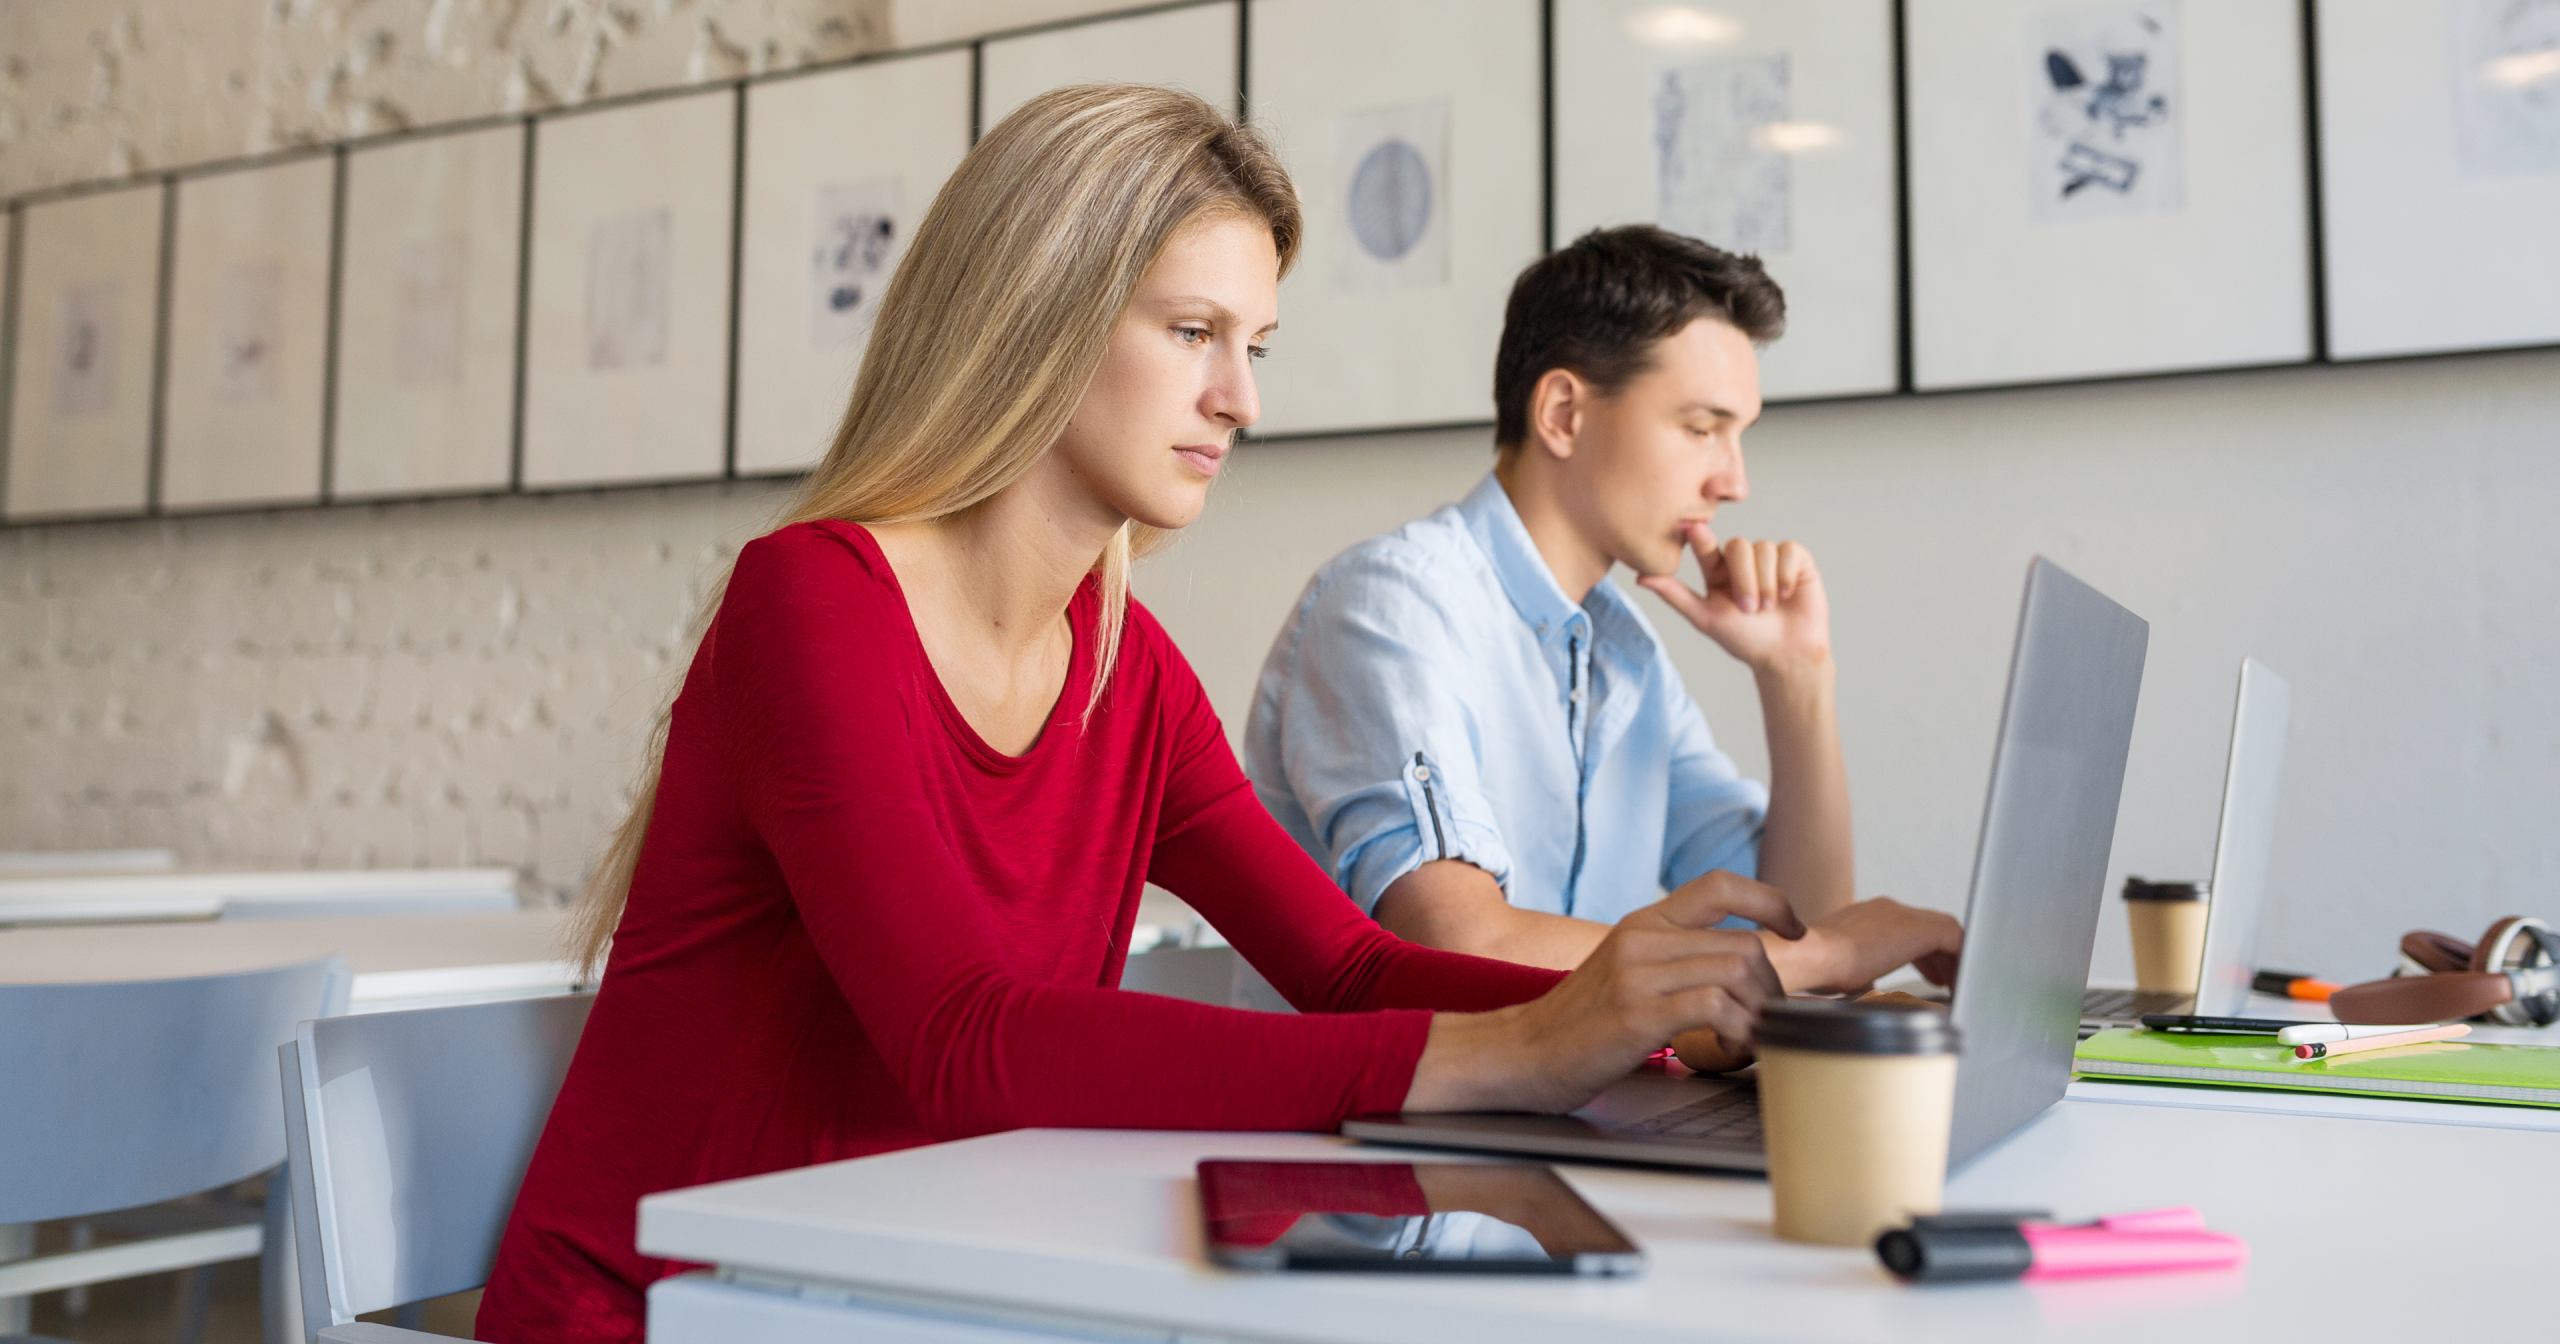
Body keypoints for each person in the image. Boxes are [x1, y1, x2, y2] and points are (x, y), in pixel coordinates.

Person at [476, 88, 1801, 1344]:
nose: (1243, 398)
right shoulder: (813, 601)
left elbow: (1343, 971)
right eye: (1193, 334)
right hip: (678, 1307)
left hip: (910, 1290)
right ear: (1038, 316)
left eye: (1255, 346)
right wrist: (1514, 1049)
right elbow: (964, 1039)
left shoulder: (1127, 666)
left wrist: (1648, 1021)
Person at [1242, 226, 1961, 1007]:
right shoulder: (1393, 607)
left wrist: (1798, 677)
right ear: (1562, 413)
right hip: (1368, 1124)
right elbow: (1459, 944)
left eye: (1739, 436)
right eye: (1701, 428)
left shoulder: (1626, 656)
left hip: (1562, 1114)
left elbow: (1800, 938)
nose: (1733, 481)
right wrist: (1824, 955)